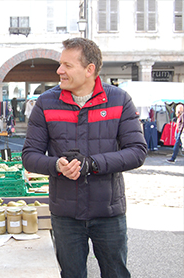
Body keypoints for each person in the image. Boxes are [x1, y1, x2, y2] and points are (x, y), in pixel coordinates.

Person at [22, 38, 147, 278]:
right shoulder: (45, 103)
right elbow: (29, 156)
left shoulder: (119, 100)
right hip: (65, 215)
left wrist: (94, 164)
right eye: (60, 64)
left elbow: (137, 151)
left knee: (116, 274)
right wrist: (56, 165)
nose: (59, 70)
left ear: (90, 69)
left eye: (67, 65)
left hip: (108, 213)